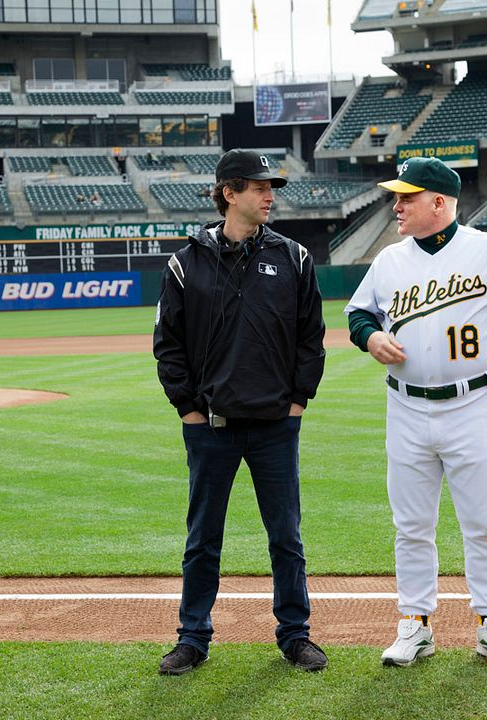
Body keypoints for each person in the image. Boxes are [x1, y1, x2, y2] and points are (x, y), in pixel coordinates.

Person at [344, 157, 487, 669]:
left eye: (406, 197)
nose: (397, 205)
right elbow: (357, 312)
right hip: (406, 407)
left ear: (439, 202)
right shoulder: (389, 260)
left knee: (482, 522)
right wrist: (370, 336)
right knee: (411, 525)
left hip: (474, 405)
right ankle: (414, 624)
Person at [153, 149, 328, 676]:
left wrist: (297, 403)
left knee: (286, 536)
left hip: (276, 425)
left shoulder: (294, 258)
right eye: (258, 187)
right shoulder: (186, 262)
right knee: (203, 537)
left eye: (271, 187)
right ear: (229, 193)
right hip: (211, 427)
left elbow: (311, 340)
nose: (270, 195)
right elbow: (169, 344)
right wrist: (188, 409)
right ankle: (193, 636)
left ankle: (295, 634)